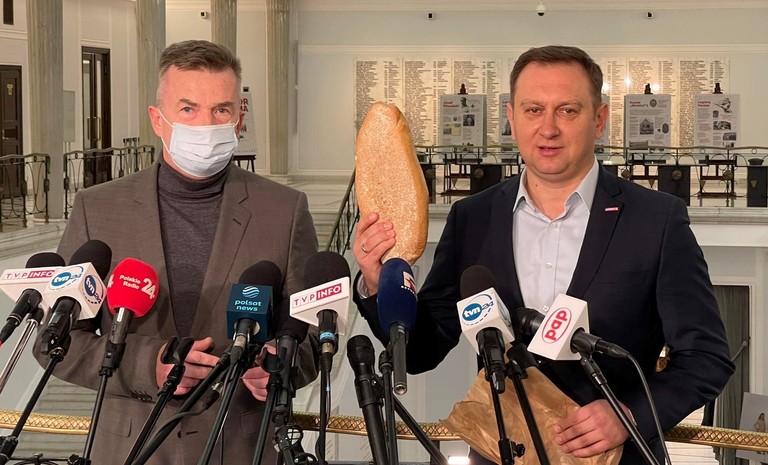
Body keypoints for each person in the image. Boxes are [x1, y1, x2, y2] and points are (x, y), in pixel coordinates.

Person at [353, 45, 734, 465]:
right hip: (501, 454)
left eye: (567, 110)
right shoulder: (472, 218)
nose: (548, 129)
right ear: (512, 118)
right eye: (533, 110)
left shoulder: (655, 220)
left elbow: (706, 358)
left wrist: (629, 415)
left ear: (599, 119)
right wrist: (378, 285)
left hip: (615, 457)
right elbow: (422, 351)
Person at [33, 40, 319, 464]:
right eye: (188, 109)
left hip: (242, 446)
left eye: (221, 110)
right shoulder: (98, 209)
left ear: (239, 119)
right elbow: (55, 342)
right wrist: (147, 365)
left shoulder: (285, 210)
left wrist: (283, 367)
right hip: (129, 446)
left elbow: (311, 333)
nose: (206, 124)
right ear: (157, 119)